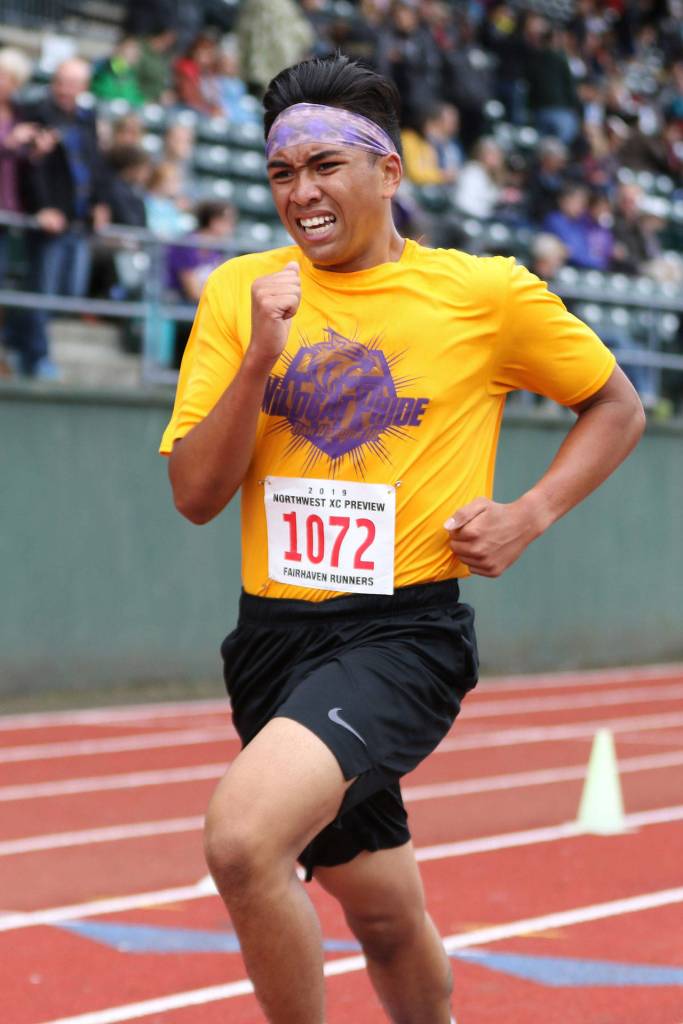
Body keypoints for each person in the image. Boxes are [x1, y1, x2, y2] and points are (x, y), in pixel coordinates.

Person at [160, 54, 645, 1024]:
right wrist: (260, 356)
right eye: (281, 173)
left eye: (325, 164)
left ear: (389, 171)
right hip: (271, 642)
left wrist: (529, 512)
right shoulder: (239, 295)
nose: (301, 192)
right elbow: (195, 495)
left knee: (241, 840)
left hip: (398, 636)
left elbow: (615, 403)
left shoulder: (482, 294)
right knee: (382, 914)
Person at [16, 57, 111, 377]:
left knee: (69, 290)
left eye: (74, 82)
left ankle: (15, 337)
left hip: (79, 219)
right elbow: (29, 169)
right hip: (49, 220)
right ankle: (33, 356)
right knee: (41, 293)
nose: (66, 88)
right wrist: (41, 207)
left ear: (83, 87)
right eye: (62, 81)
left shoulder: (86, 119)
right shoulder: (37, 113)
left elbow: (95, 164)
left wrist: (100, 202)